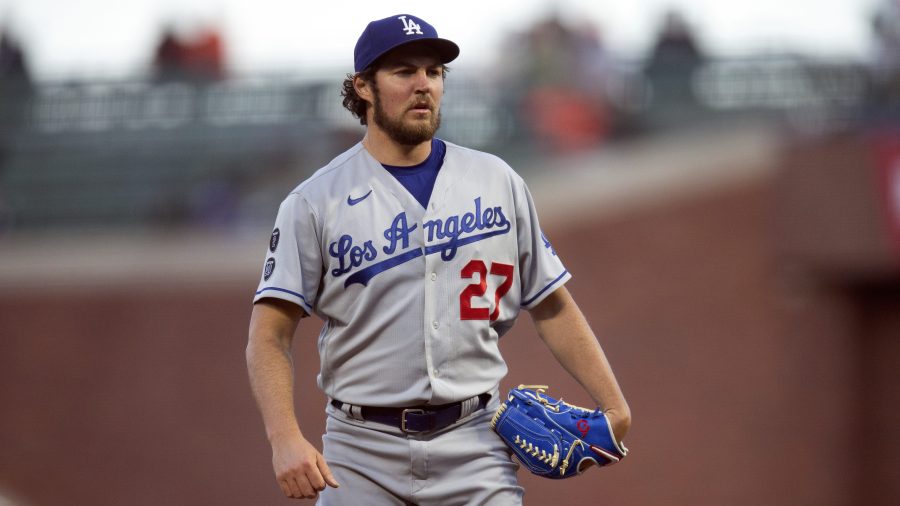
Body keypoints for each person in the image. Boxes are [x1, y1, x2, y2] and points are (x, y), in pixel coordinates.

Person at [246, 13, 631, 505]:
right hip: (360, 450)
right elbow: (268, 335)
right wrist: (284, 438)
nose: (423, 84)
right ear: (363, 87)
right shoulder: (314, 201)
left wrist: (615, 406)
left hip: (474, 442)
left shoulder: (497, 181)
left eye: (434, 72)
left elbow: (552, 304)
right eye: (404, 72)